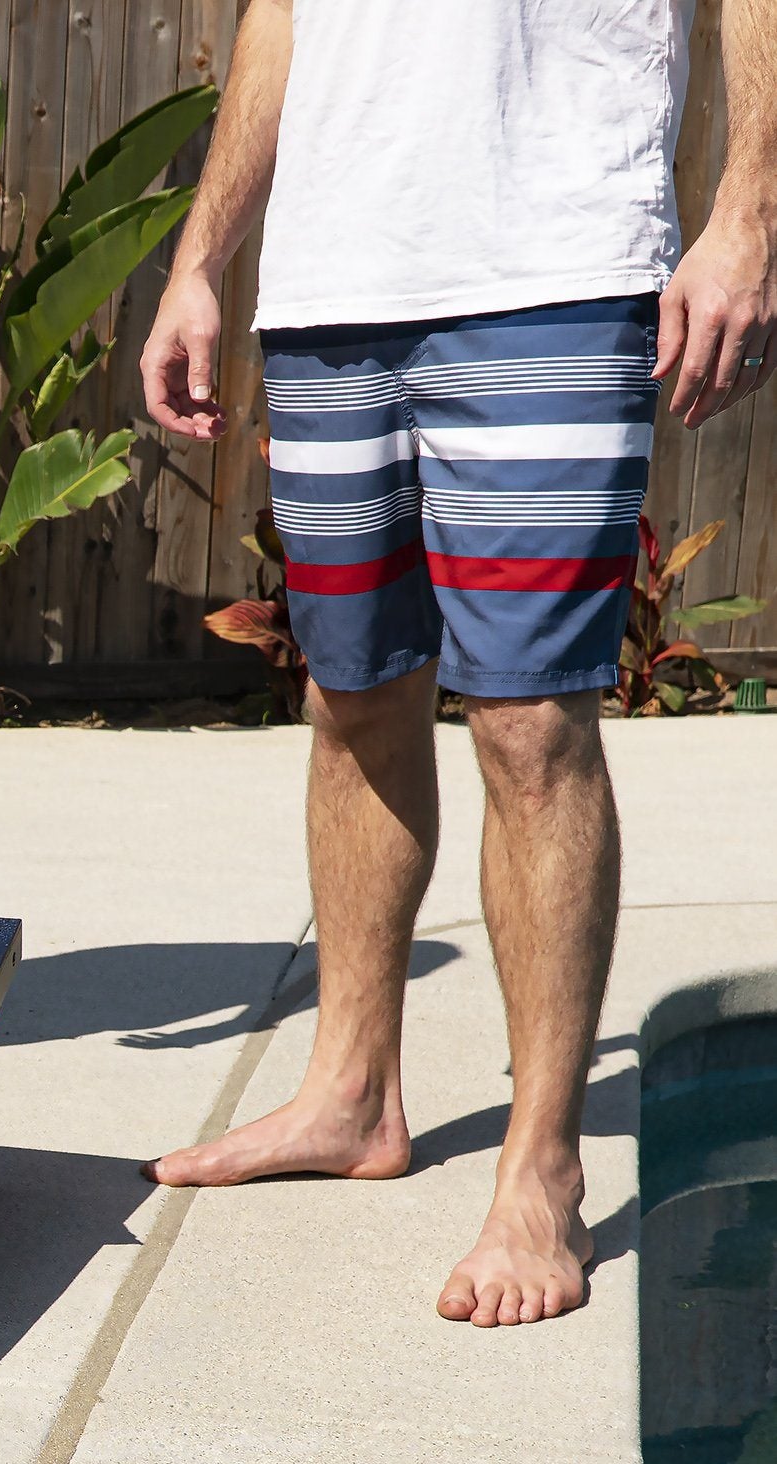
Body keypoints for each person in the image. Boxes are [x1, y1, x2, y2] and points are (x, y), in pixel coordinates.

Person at [139, 0, 775, 1325]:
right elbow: (280, 17)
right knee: (350, 698)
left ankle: (541, 1170)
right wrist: (205, 257)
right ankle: (351, 1091)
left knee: (530, 727)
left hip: (552, 266)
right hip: (330, 287)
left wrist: (748, 216)